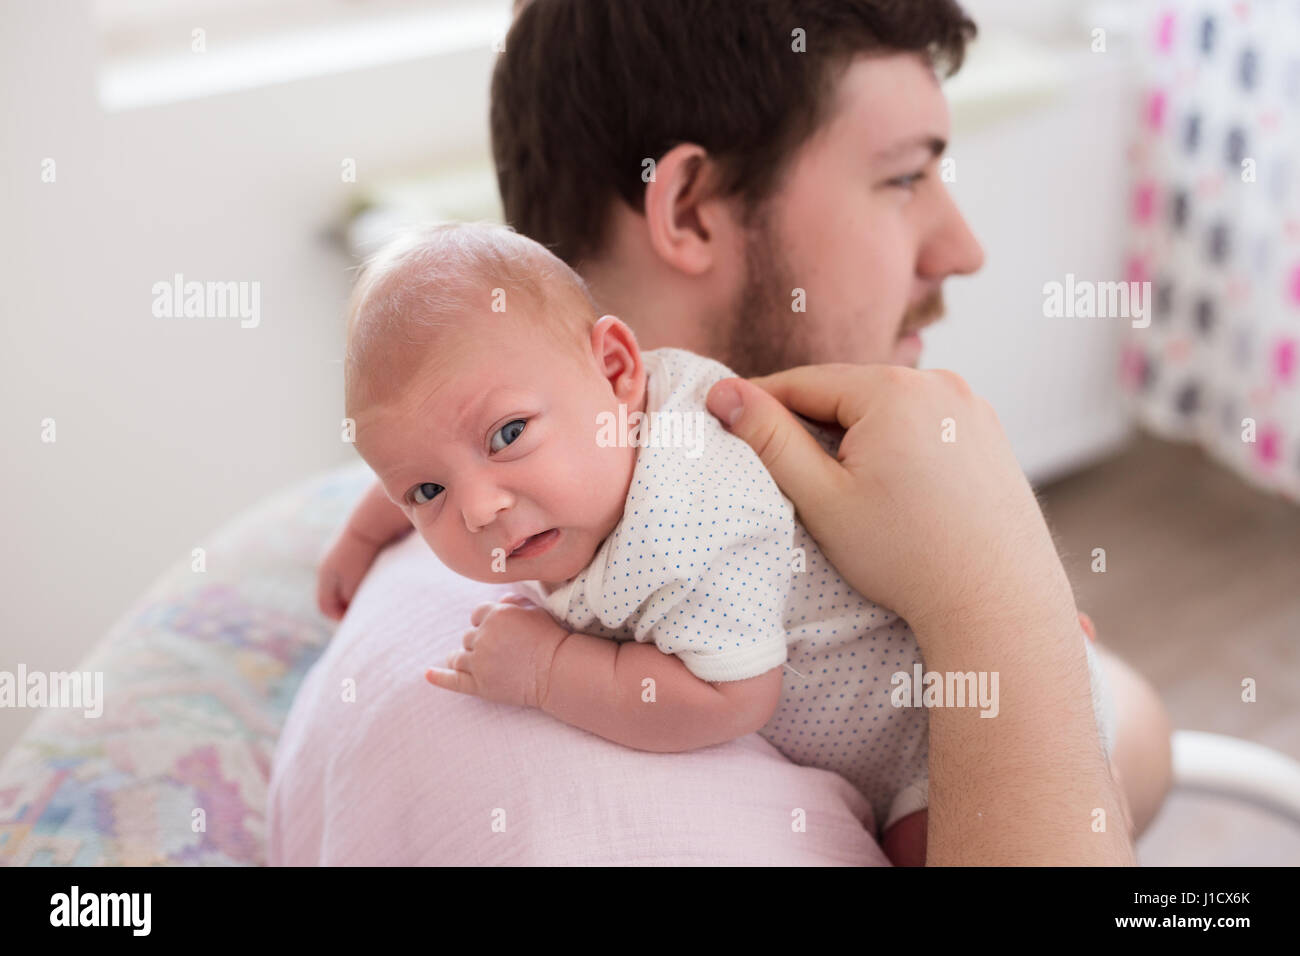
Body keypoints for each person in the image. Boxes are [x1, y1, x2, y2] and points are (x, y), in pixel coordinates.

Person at [272, 0, 1171, 865]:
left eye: (506, 436)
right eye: (902, 176)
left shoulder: (617, 445)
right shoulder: (606, 722)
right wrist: (1004, 611)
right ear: (692, 207)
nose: (962, 249)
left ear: (619, 367)